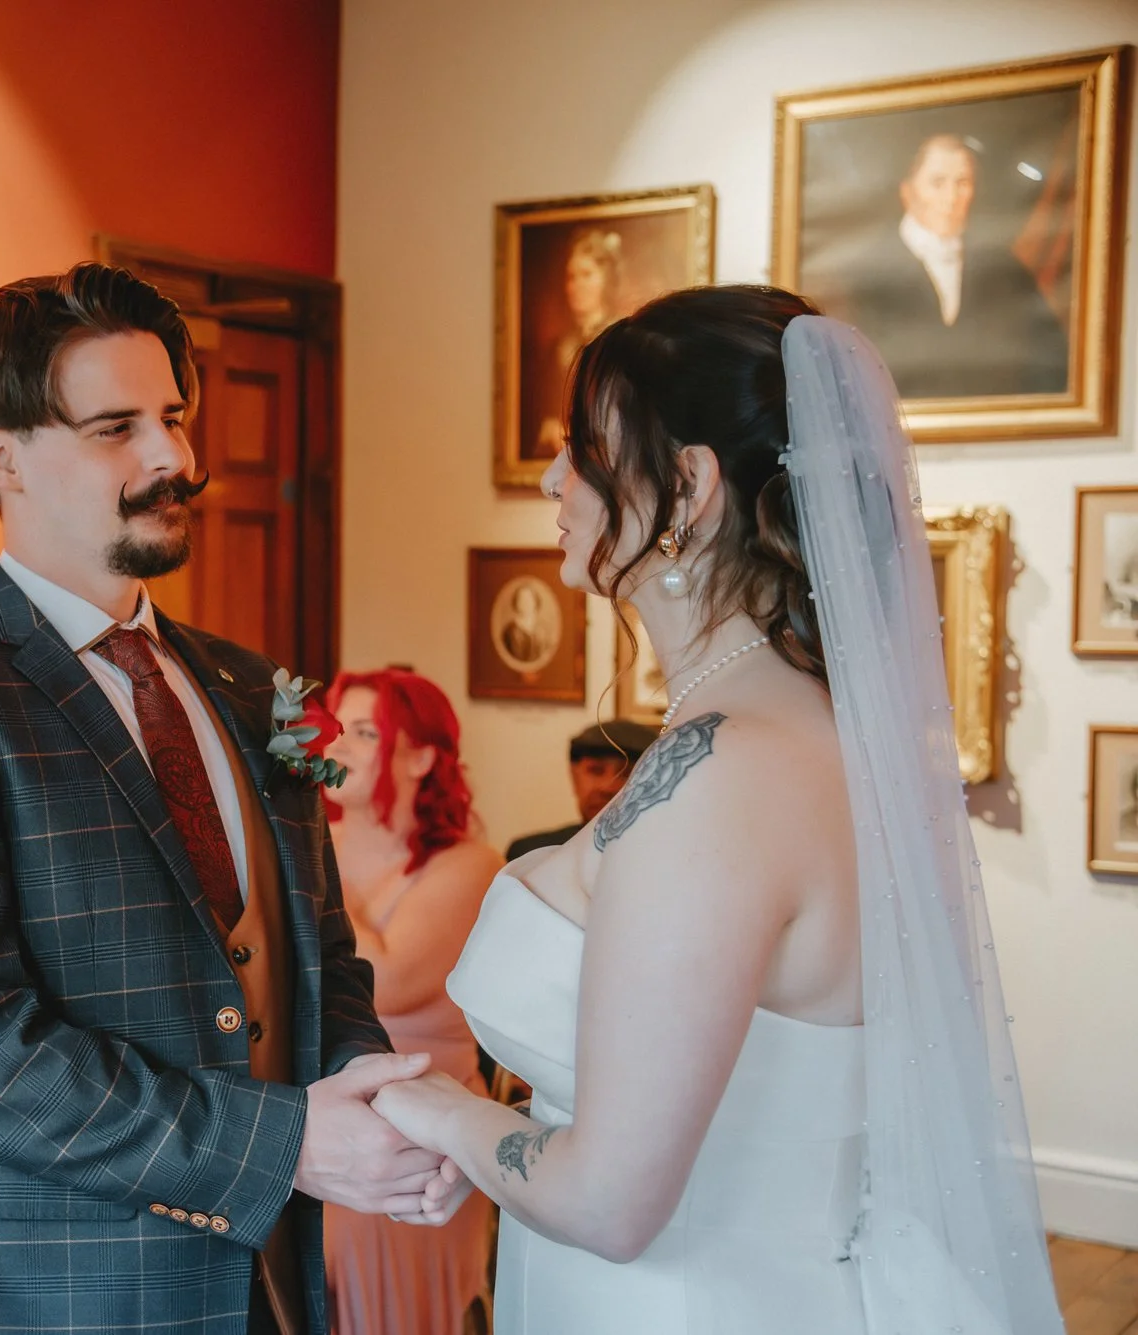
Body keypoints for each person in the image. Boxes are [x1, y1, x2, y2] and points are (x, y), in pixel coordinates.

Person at [362, 286, 1063, 1332]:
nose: (553, 479)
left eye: (582, 445)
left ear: (687, 484)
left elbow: (607, 1202)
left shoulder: (718, 773)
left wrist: (450, 1118)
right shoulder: (822, 737)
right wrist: (510, 1149)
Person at [0, 262, 461, 1335]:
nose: (174, 458)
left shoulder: (265, 689)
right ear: (4, 458)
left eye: (171, 416)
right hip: (48, 1300)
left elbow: (321, 952)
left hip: (265, 1284)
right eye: (115, 427)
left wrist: (386, 1102)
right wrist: (285, 1142)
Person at [317, 668, 503, 1334]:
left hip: (426, 1146)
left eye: (366, 731)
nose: (339, 742)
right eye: (338, 725)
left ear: (421, 756)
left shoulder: (470, 864)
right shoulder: (313, 842)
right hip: (316, 1127)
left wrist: (307, 853)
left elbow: (384, 981)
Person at [821, 133, 1067, 400]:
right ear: (908, 191)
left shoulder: (1008, 273)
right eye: (937, 183)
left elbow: (1048, 362)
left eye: (962, 182)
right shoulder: (861, 275)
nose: (951, 197)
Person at [504, 719, 660, 860]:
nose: (607, 787)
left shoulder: (668, 858)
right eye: (596, 770)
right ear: (574, 777)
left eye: (627, 773)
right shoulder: (530, 857)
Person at [529, 229, 624, 460]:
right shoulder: (557, 348)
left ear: (606, 279)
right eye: (572, 277)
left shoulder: (621, 342)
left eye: (587, 274)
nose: (577, 285)